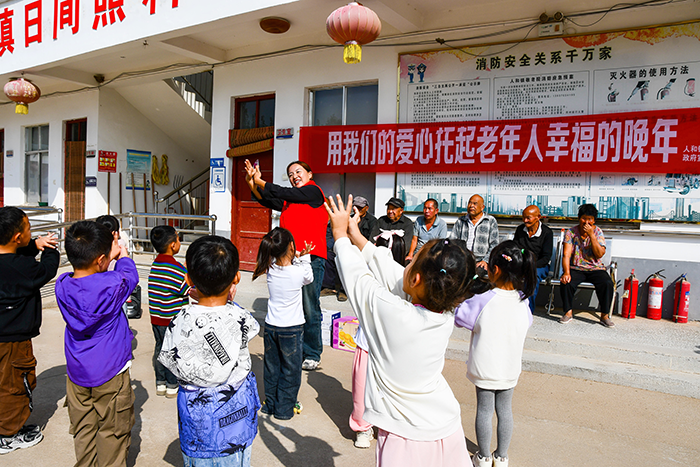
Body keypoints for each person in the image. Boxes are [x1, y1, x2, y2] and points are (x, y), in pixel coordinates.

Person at [327, 194, 475, 467]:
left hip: (405, 436)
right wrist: (357, 236)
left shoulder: (394, 313)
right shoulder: (440, 312)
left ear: (416, 277)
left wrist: (339, 235)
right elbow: (393, 273)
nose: (404, 266)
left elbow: (358, 278)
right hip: (446, 425)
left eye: (412, 261)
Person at [159, 235, 260, 467]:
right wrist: (229, 304)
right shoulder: (240, 317)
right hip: (235, 421)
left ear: (188, 278)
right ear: (237, 277)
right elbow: (248, 328)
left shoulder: (179, 319)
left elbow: (168, 357)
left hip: (197, 423)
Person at [55, 221, 139, 467]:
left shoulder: (62, 286)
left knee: (83, 430)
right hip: (110, 372)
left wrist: (105, 258)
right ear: (101, 260)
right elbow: (129, 276)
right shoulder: (112, 285)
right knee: (113, 432)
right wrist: (121, 255)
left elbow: (91, 281)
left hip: (77, 371)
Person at [454, 241, 536, 467]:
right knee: (505, 410)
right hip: (509, 367)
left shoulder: (483, 299)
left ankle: (482, 456)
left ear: (495, 270)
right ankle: (501, 457)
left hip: (485, 366)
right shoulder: (523, 300)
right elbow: (527, 323)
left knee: (484, 410)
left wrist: (472, 281)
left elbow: (460, 317)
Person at [245, 159, 327, 371]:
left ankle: (312, 352)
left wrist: (261, 181)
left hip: (311, 257)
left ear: (310, 174)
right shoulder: (290, 200)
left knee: (309, 307)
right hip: (289, 259)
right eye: (290, 174)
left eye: (298, 172)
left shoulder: (313, 193)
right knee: (294, 306)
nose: (294, 176)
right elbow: (267, 199)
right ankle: (297, 349)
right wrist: (252, 182)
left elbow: (281, 192)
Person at [0, 207, 59, 454]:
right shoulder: (20, 268)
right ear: (17, 237)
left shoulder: (10, 261)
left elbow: (18, 252)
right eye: (28, 229)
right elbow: (46, 271)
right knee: (14, 386)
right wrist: (50, 250)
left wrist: (35, 244)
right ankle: (8, 435)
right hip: (13, 340)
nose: (30, 232)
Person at [252, 227, 314, 420]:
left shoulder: (270, 268)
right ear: (291, 246)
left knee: (272, 368)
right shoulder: (297, 272)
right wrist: (304, 256)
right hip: (292, 329)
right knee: (291, 370)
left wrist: (295, 255)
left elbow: (284, 262)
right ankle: (284, 410)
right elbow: (309, 276)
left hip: (271, 327)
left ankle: (269, 405)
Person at [148, 225, 191, 398]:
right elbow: (185, 288)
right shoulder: (176, 268)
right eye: (178, 239)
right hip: (171, 320)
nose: (179, 242)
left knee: (159, 349)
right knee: (173, 352)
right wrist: (189, 273)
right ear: (173, 245)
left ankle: (161, 383)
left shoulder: (156, 264)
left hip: (156, 318)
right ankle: (173, 384)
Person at [559, 204, 615, 327]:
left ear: (594, 220)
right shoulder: (571, 232)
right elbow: (566, 255)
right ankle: (568, 313)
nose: (587, 222)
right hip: (576, 268)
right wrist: (566, 272)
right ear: (579, 218)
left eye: (590, 219)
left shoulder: (598, 232)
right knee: (566, 282)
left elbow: (599, 254)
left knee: (607, 283)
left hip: (595, 268)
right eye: (584, 218)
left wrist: (592, 235)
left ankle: (604, 316)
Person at [513, 205, 553, 312]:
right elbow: (515, 249)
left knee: (532, 276)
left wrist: (530, 265)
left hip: (539, 266)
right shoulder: (520, 230)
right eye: (524, 218)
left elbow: (546, 258)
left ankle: (528, 310)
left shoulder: (547, 233)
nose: (525, 221)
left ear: (538, 217)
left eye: (528, 218)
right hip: (521, 264)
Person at [450, 194, 499, 271]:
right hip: (463, 260)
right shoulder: (461, 221)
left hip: (481, 261)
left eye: (475, 204)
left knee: (477, 277)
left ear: (482, 207)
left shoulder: (490, 221)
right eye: (469, 203)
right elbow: (452, 241)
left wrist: (485, 261)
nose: (471, 206)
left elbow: (494, 244)